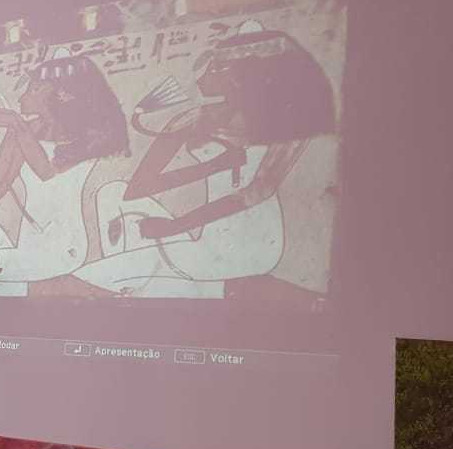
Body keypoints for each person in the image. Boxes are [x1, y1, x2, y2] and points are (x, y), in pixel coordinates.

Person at [73, 21, 334, 298]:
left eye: (219, 68)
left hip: (251, 243)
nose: (205, 76)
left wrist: (175, 227)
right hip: (205, 235)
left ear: (246, 76)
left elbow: (258, 192)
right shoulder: (196, 117)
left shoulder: (291, 124)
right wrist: (212, 167)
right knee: (111, 194)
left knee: (99, 277)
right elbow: (137, 189)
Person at [0, 49, 129, 295]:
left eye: (33, 89)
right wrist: (12, 129)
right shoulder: (29, 128)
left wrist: (15, 122)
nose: (23, 96)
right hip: (26, 247)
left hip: (62, 249)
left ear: (59, 94)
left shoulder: (82, 136)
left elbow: (47, 172)